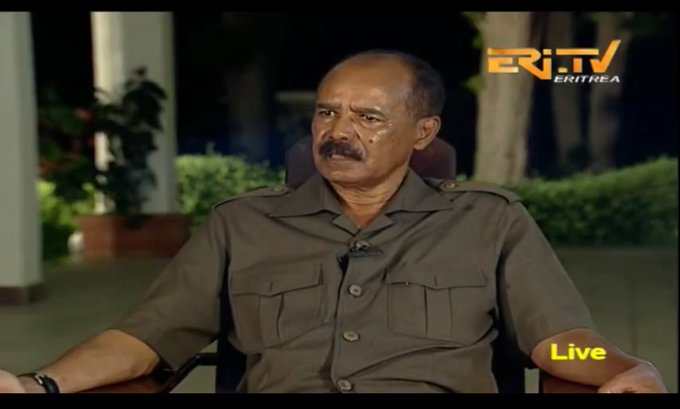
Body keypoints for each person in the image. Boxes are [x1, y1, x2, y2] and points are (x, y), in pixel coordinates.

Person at [0, 50, 667, 394]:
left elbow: (559, 343)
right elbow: (144, 338)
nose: (337, 131)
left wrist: (625, 365)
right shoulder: (242, 224)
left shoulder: (489, 222)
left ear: (422, 133)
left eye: (367, 117)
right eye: (327, 113)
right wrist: (39, 384)